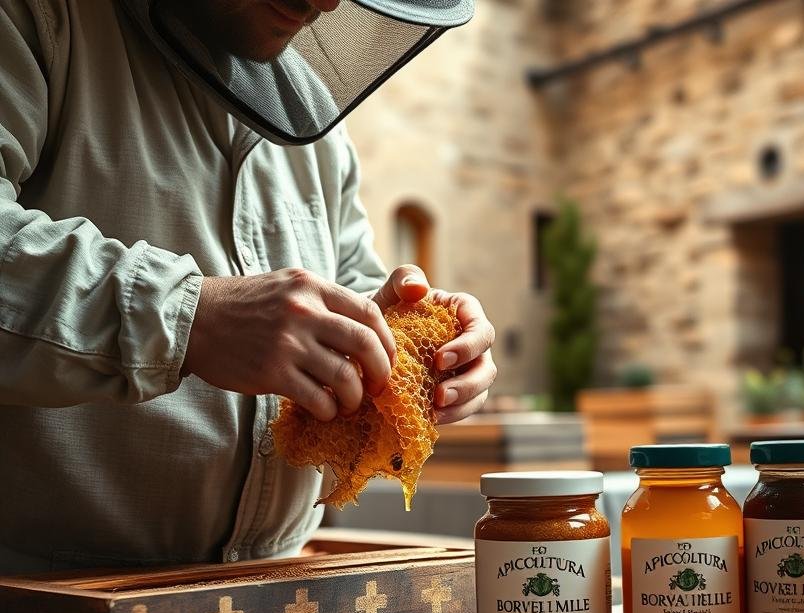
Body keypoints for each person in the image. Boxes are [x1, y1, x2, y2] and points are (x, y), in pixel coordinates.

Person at [0, 0, 495, 573]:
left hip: (281, 588)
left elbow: (353, 280)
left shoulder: (308, 109)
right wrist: (191, 319)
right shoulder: (38, 20)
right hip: (38, 600)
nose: (328, 2)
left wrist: (420, 337)